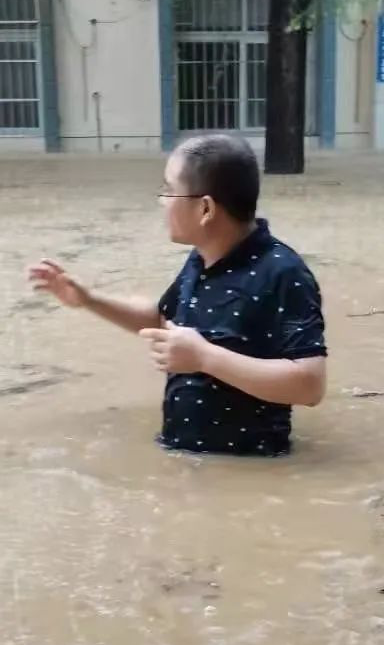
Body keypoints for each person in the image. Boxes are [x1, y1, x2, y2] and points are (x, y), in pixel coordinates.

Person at [29, 134, 327, 456]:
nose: (162, 200)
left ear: (205, 208)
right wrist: (89, 300)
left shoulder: (283, 273)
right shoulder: (202, 258)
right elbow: (163, 319)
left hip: (247, 472)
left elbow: (310, 385)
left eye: (169, 190)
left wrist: (205, 358)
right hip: (189, 465)